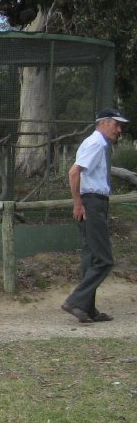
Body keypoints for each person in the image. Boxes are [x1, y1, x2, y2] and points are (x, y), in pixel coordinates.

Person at [61, 108, 128, 324]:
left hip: (91, 202)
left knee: (90, 256)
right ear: (104, 122)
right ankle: (74, 301)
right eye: (116, 124)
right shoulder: (97, 143)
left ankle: (87, 308)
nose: (119, 129)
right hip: (92, 203)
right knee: (105, 260)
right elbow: (74, 172)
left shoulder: (94, 142)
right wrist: (78, 204)